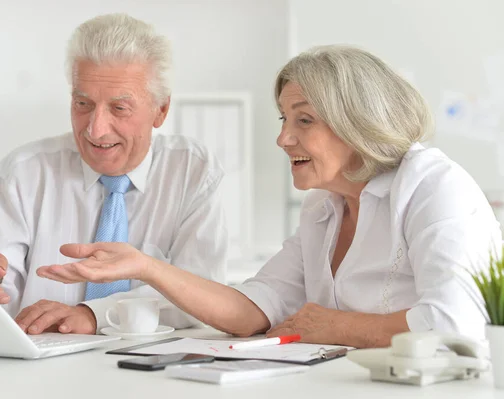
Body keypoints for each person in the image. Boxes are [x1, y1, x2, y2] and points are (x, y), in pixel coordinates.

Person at [37, 45, 501, 348]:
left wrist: (335, 327)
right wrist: (145, 266)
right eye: (283, 120)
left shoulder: (435, 187)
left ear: (356, 121)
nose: (283, 140)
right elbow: (252, 310)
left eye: (304, 120)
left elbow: (455, 323)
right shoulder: (325, 209)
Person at [0, 13, 227, 335]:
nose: (95, 129)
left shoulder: (193, 172)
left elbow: (204, 295)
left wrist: (94, 315)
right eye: (83, 103)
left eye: (119, 108)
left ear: (160, 110)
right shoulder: (21, 174)